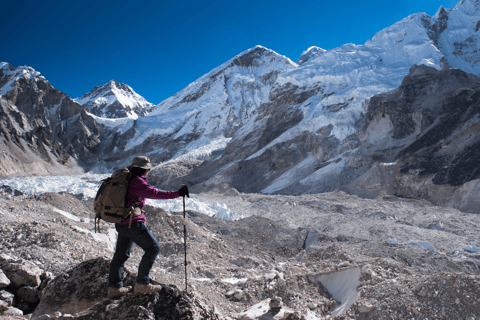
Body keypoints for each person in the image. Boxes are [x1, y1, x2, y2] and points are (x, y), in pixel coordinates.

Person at [107, 156, 189, 298]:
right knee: (153, 247)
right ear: (145, 169)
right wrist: (178, 193)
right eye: (147, 169)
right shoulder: (137, 182)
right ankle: (142, 284)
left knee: (121, 255)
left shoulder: (128, 179)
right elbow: (155, 193)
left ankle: (114, 288)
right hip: (133, 223)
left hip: (121, 222)